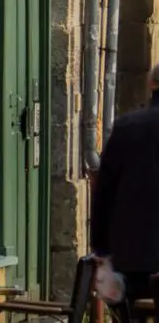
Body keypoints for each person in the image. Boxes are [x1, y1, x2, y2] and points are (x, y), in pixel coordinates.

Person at [91, 63, 159, 319]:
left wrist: (101, 249)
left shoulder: (126, 127)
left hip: (132, 257)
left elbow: (103, 195)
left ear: (151, 84)